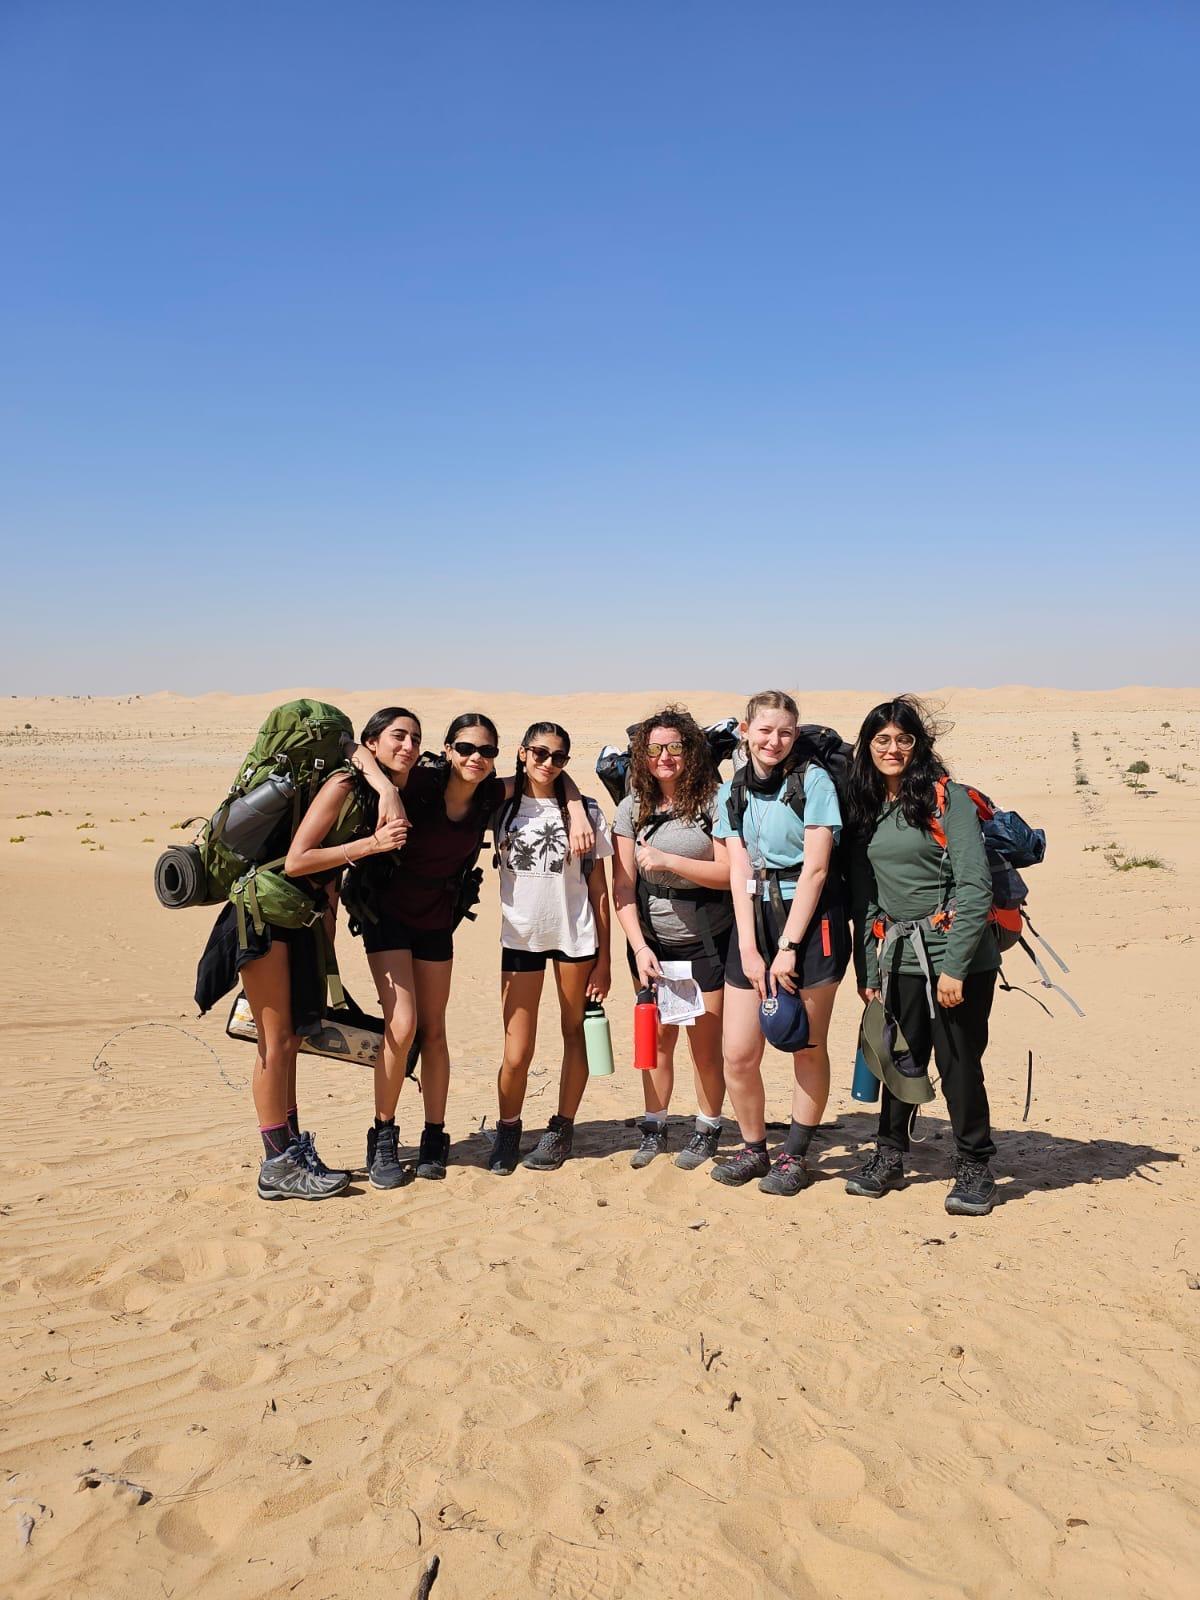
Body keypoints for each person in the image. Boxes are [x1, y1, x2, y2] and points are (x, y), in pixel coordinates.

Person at [343, 711, 595, 1190]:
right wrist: (388, 791)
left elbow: (548, 774)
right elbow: (352, 748)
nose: (476, 757)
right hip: (388, 915)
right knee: (402, 1025)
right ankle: (384, 1135)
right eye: (465, 748)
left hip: (437, 921)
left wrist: (578, 805)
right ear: (447, 749)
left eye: (486, 750)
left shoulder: (489, 795)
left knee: (434, 1030)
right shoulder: (417, 781)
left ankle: (434, 1136)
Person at [231, 721, 411, 1202]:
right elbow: (297, 861)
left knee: (289, 1039)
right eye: (398, 736)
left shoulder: (368, 790)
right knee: (273, 1042)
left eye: (416, 738)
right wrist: (372, 842)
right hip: (265, 914)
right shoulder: (343, 783)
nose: (409, 746)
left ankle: (290, 1152)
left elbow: (327, 882)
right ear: (370, 745)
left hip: (298, 921)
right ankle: (276, 1165)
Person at [845, 695, 1000, 1216]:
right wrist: (868, 968)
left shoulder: (947, 799)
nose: (893, 749)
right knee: (897, 1059)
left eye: (904, 739)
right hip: (898, 959)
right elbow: (867, 898)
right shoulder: (867, 806)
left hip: (956, 959)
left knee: (958, 1065)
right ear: (868, 746)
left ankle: (975, 1165)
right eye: (882, 739)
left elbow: (975, 886)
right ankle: (889, 1154)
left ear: (919, 745)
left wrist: (955, 966)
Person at [711, 690, 849, 1195]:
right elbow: (739, 869)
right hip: (755, 918)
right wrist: (749, 948)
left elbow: (816, 869)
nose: (775, 741)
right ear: (745, 731)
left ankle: (795, 1155)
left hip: (810, 923)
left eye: (785, 732)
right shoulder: (733, 789)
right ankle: (754, 1148)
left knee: (805, 1045)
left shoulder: (814, 782)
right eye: (765, 730)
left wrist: (788, 947)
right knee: (738, 1053)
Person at [611, 707, 732, 1171]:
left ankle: (707, 1128)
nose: (665, 757)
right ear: (641, 755)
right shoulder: (631, 808)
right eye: (655, 748)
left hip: (705, 942)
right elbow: (623, 889)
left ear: (691, 751)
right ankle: (654, 1127)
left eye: (675, 747)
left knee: (704, 1045)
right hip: (651, 945)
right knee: (657, 1039)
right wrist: (639, 947)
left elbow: (728, 873)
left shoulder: (713, 802)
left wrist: (668, 861)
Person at [489, 723, 613, 1174]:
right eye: (539, 753)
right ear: (523, 752)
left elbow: (599, 890)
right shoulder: (500, 805)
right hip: (520, 938)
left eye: (558, 757)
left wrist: (605, 959)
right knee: (517, 1050)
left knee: (574, 1032)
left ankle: (561, 1128)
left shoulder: (589, 812)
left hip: (574, 938)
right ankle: (508, 1130)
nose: (548, 763)